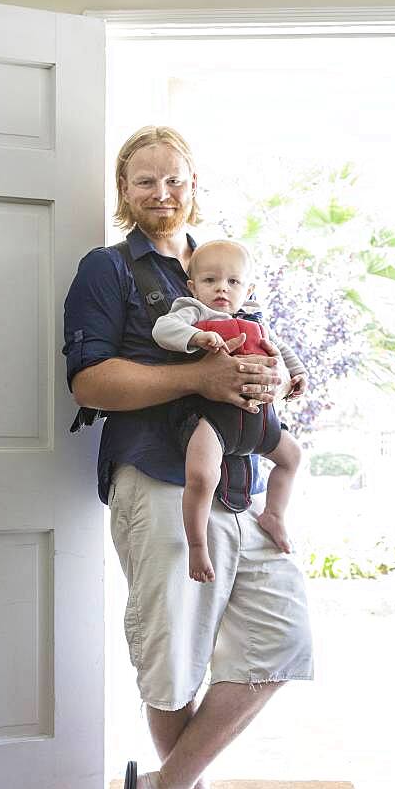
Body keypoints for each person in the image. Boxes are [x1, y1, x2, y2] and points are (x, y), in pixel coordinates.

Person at [63, 126, 313, 789]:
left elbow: (258, 354)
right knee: (172, 665)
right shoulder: (106, 270)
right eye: (145, 182)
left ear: (194, 183)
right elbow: (91, 384)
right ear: (123, 190)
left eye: (174, 180)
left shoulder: (218, 265)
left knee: (281, 639)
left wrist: (272, 382)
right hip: (160, 484)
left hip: (239, 481)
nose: (162, 194)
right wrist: (199, 380)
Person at [152, 237, 306, 582]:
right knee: (203, 475)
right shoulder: (193, 311)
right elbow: (163, 330)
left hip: (259, 422)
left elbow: (279, 348)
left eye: (232, 282)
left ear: (247, 288)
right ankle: (196, 545)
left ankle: (274, 515)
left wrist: (296, 374)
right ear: (193, 286)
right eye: (210, 281)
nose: (221, 289)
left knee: (292, 457)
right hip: (214, 421)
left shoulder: (254, 319)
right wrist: (195, 338)